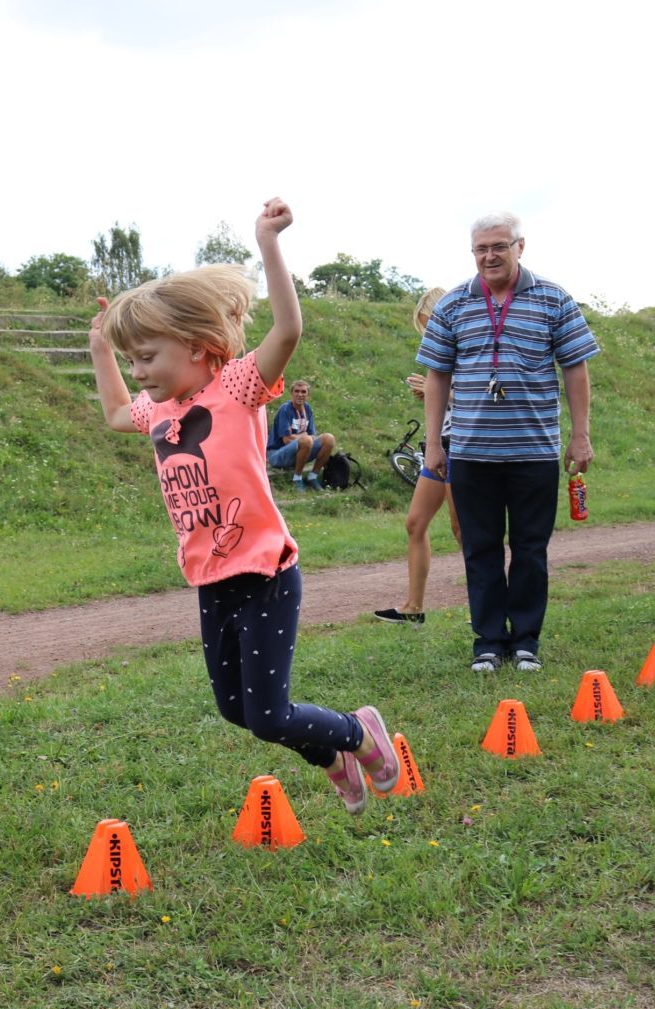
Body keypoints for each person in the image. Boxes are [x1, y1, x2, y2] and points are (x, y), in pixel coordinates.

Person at [86, 198, 400, 815]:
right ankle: (332, 756)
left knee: (269, 714)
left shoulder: (235, 388)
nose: (138, 371)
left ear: (197, 347)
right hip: (212, 577)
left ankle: (357, 731)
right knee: (237, 710)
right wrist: (101, 348)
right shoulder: (159, 410)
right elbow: (117, 413)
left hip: (264, 573)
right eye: (131, 360)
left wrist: (268, 243)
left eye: (146, 357)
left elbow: (287, 332)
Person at [417, 212, 597, 672]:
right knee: (480, 549)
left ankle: (526, 641)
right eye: (481, 248)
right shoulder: (453, 304)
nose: (490, 256)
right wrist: (435, 443)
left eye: (499, 246)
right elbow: (437, 376)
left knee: (530, 550)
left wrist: (580, 435)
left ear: (520, 246)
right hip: (471, 452)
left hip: (534, 450)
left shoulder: (554, 299)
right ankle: (488, 642)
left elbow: (575, 368)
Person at [376, 287, 460, 626]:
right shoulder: (438, 355)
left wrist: (436, 391)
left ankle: (488, 607)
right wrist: (430, 395)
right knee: (415, 523)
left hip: (462, 446)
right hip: (437, 447)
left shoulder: (470, 346)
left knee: (462, 529)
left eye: (429, 325)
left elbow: (481, 397)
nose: (427, 334)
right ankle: (413, 607)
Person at [266, 379, 335, 489]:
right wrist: (303, 436)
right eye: (296, 391)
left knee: (329, 439)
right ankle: (297, 479)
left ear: (308, 395)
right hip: (277, 454)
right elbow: (286, 440)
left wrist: (302, 437)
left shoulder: (307, 409)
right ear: (291, 394)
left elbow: (312, 435)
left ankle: (312, 477)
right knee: (306, 440)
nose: (300, 394)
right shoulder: (285, 409)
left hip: (299, 451)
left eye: (303, 392)